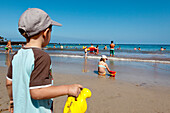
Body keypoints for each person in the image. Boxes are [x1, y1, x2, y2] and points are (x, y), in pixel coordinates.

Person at [6, 8, 83, 113]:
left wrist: (12, 100)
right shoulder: (41, 57)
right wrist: (68, 89)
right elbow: (37, 92)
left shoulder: (16, 55)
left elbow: (9, 83)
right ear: (46, 32)